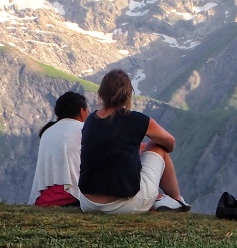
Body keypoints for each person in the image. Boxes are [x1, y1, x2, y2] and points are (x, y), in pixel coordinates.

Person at [78, 69, 190, 214]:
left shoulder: (90, 121)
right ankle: (176, 200)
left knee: (138, 149)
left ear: (100, 94)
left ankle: (160, 200)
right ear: (128, 95)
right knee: (157, 145)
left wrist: (135, 146)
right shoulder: (137, 120)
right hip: (124, 205)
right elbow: (170, 142)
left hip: (88, 204)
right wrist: (145, 147)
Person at [28, 91, 89, 207]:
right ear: (82, 112)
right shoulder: (85, 129)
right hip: (73, 198)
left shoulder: (47, 132)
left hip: (42, 200)